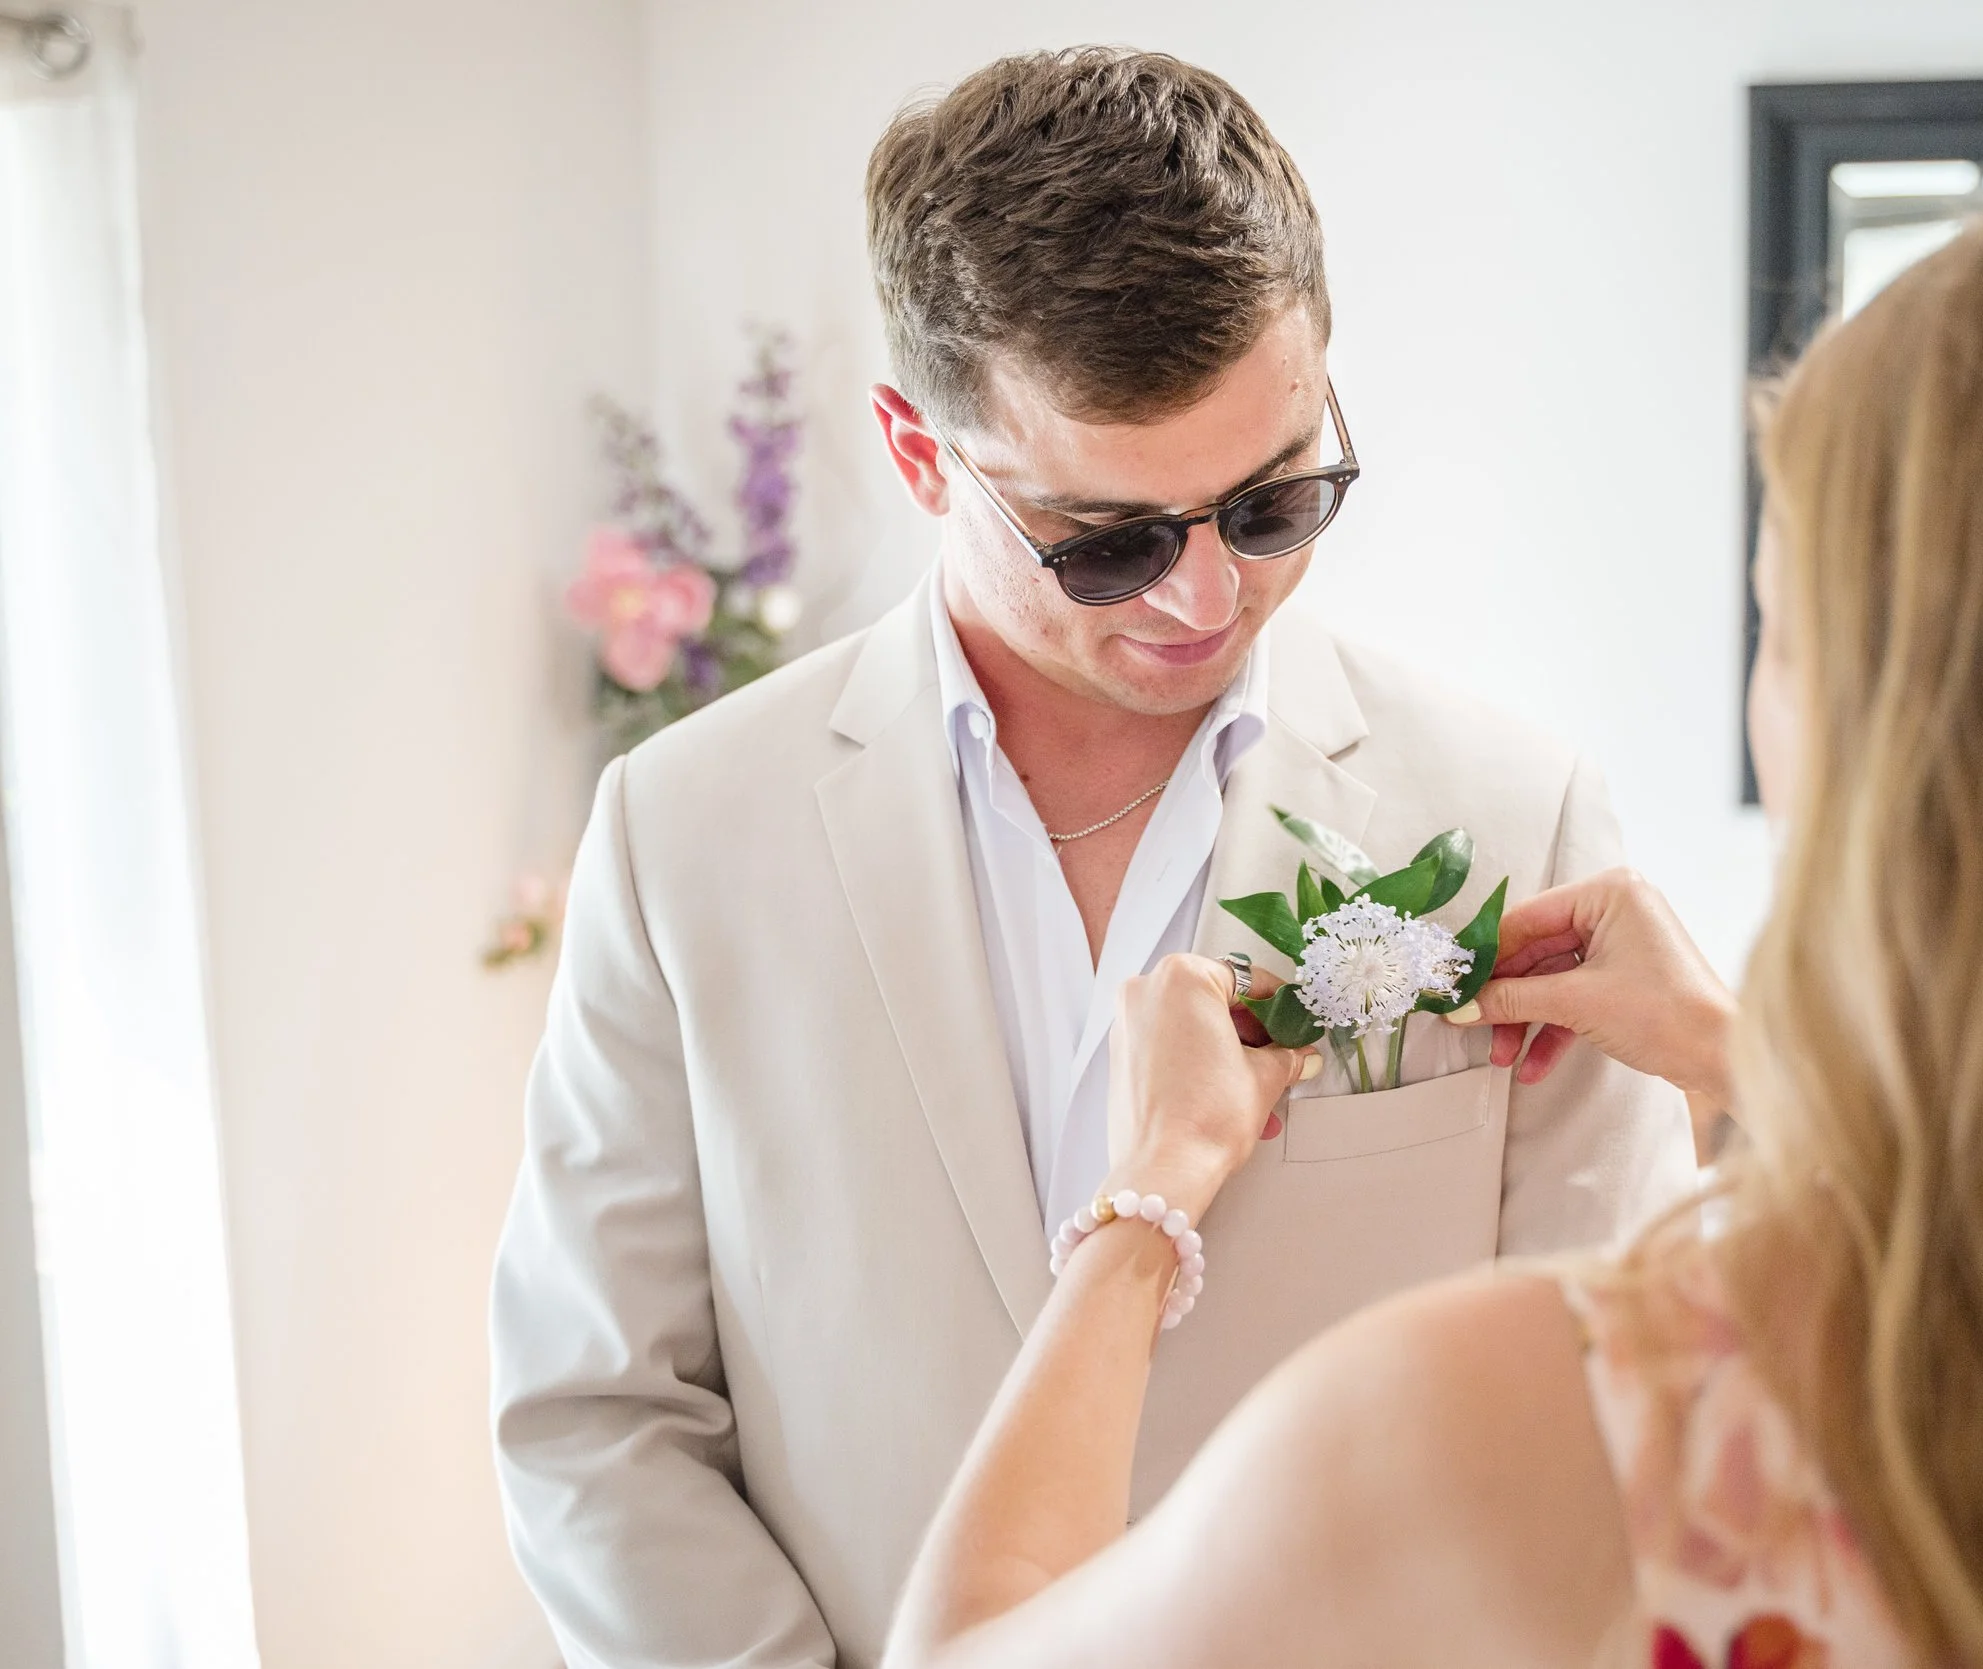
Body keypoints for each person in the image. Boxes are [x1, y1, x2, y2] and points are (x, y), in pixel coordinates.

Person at [877, 194, 1983, 1669]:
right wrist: (1738, 1057)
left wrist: (1148, 1205)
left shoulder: (1564, 1419)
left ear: (1871, 735)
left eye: (1775, 624)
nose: (1205, 593)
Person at [488, 46, 1691, 1668]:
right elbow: (599, 1413)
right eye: (1109, 540)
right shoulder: (684, 833)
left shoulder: (1515, 818)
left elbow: (1618, 1397)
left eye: (1276, 502)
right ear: (919, 454)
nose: (1206, 602)